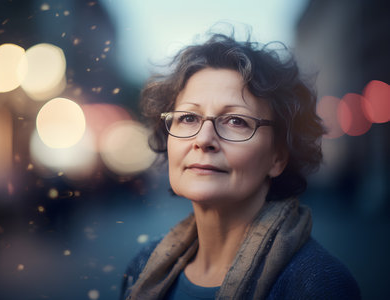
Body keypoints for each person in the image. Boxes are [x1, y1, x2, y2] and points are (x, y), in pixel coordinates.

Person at [120, 32, 361, 299]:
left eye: (236, 121)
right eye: (188, 117)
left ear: (278, 157)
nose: (203, 139)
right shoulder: (141, 267)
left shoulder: (318, 285)